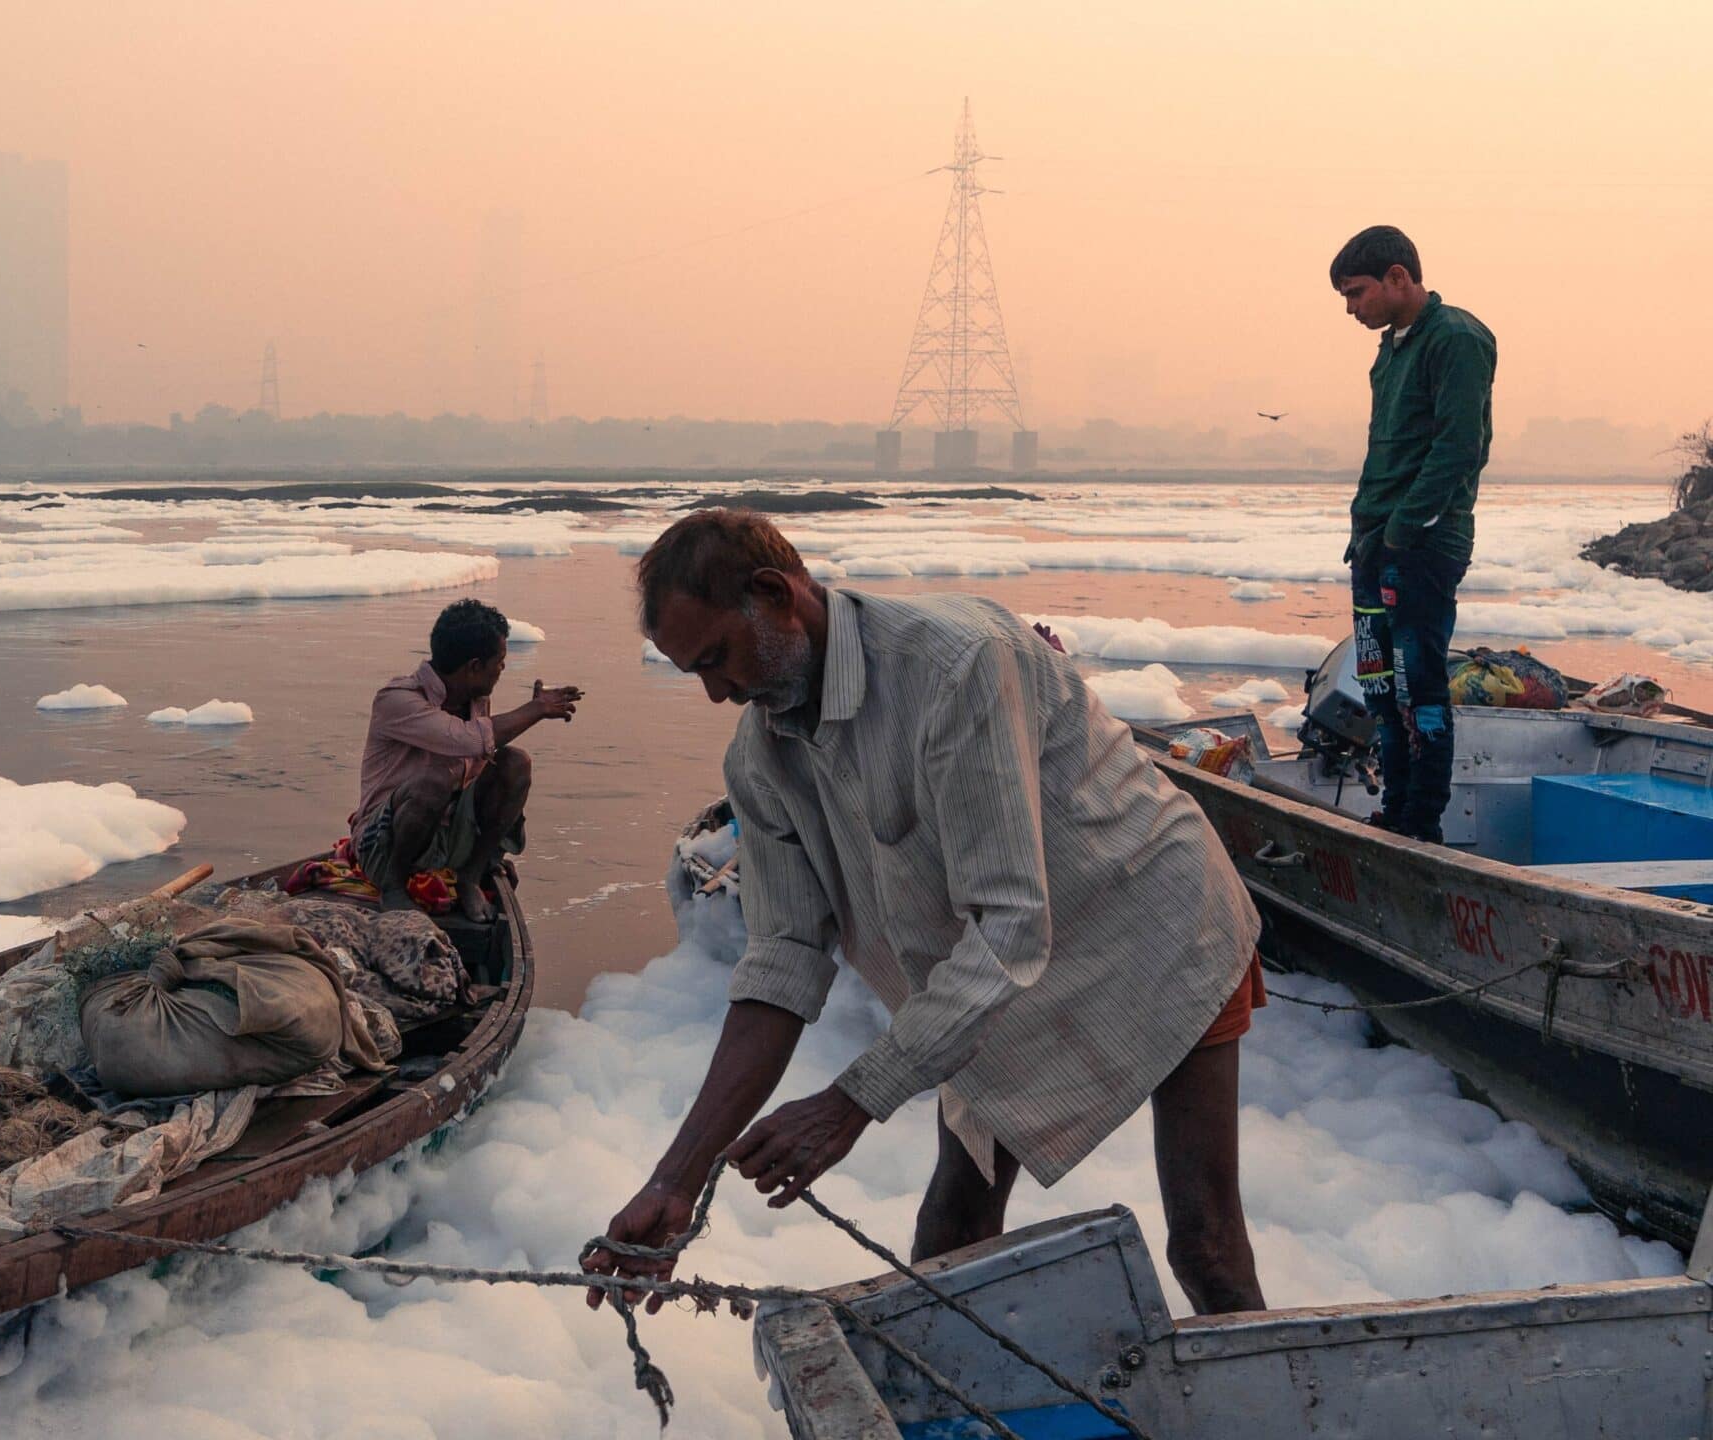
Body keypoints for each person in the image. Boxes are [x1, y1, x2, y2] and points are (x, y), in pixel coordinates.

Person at [584, 511, 1268, 1316]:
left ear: (776, 594)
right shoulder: (759, 758)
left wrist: (851, 1101)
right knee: (953, 1229)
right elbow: (783, 960)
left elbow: (1012, 923)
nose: (716, 692)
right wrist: (677, 1178)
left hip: (1150, 929)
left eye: (718, 659)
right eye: (693, 673)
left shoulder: (952, 664)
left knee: (1205, 1246)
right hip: (988, 973)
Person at [1330, 224, 1498, 844]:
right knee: (1377, 685)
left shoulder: (1455, 338)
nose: (1351, 308)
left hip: (1422, 547)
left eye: (1357, 292)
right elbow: (1388, 450)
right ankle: (1395, 810)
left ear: (1398, 277)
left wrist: (1403, 529)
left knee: (1417, 686)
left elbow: (1460, 449)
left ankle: (1421, 825)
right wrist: (1367, 528)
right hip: (1376, 542)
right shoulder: (1392, 347)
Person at [351, 598, 581, 923]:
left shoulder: (476, 699)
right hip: (385, 846)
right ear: (474, 667)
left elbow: (480, 753)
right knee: (434, 781)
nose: (503, 668)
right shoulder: (397, 700)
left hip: (446, 835)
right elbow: (463, 739)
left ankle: (470, 876)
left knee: (515, 764)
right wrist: (534, 710)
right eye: (499, 661)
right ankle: (394, 889)